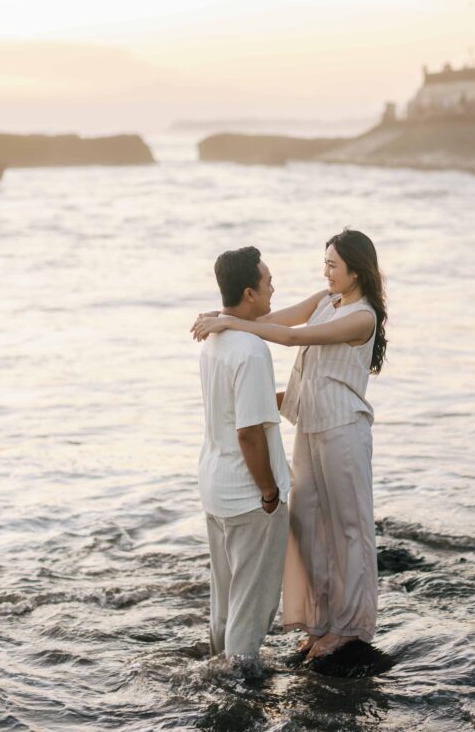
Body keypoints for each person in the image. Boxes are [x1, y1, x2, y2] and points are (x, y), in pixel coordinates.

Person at [192, 229, 387, 660]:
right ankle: (321, 623)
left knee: (349, 530)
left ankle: (351, 628)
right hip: (309, 427)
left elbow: (295, 339)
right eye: (326, 264)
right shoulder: (325, 301)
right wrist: (222, 318)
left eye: (334, 265)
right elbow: (271, 321)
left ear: (357, 270)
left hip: (343, 430)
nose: (327, 272)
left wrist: (229, 321)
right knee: (308, 528)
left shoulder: (363, 317)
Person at [196, 246, 291, 659]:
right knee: (250, 608)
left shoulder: (215, 341)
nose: (273, 289)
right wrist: (269, 493)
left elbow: (240, 412)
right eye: (268, 282)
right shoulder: (251, 350)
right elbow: (249, 433)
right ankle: (238, 687)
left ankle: (219, 667)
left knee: (226, 598)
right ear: (250, 294)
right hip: (247, 496)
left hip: (215, 486)